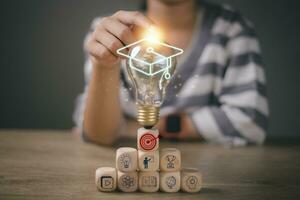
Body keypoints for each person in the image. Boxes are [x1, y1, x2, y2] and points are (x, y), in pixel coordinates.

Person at [73, 0, 269, 147]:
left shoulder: (231, 30)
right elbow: (97, 132)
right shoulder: (109, 36)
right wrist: (105, 65)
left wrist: (141, 128)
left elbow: (249, 121)